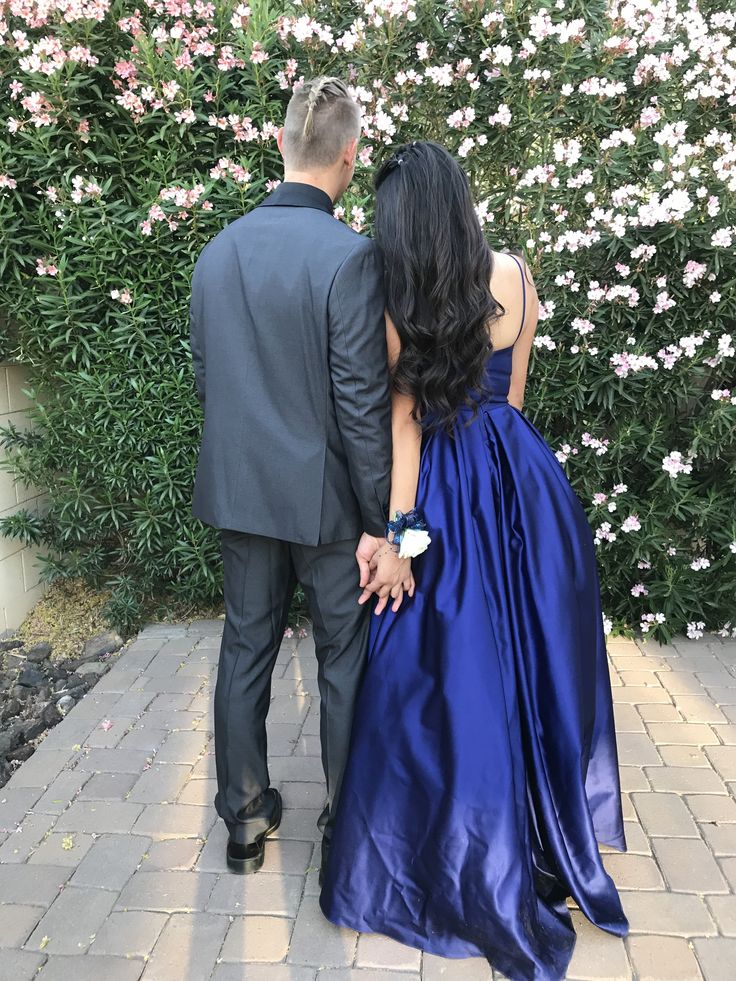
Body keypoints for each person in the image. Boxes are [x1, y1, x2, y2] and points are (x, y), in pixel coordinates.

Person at [320, 141, 629, 981]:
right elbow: (515, 397)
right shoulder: (519, 277)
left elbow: (406, 423)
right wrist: (502, 483)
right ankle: (533, 832)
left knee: (439, 665)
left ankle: (446, 841)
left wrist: (400, 535)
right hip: (525, 483)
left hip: (448, 482)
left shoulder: (407, 294)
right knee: (531, 655)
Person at [188, 77, 406, 877]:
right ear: (350, 157)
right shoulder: (350, 258)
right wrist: (386, 522)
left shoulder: (218, 251)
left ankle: (244, 820)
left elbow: (211, 379)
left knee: (244, 646)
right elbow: (362, 407)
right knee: (342, 661)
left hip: (244, 495)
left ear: (282, 145)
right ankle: (346, 823)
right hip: (328, 507)